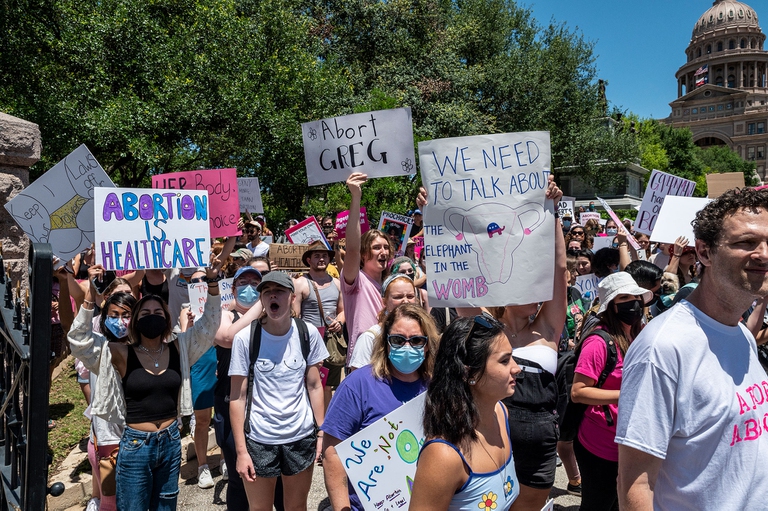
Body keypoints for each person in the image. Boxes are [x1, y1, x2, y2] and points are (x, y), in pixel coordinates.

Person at [616, 188, 768, 510]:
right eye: (746, 243)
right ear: (704, 252)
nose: (764, 254)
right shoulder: (663, 348)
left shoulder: (741, 334)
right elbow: (636, 484)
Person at [69, 258, 223, 511]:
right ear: (136, 320)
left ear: (167, 318)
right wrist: (88, 298)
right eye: (146, 313)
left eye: (158, 313)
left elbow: (209, 325)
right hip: (135, 445)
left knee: (166, 506)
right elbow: (79, 341)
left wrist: (213, 283)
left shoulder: (179, 347)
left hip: (171, 441)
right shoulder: (118, 352)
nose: (152, 317)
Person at [322, 304, 438, 510]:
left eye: (417, 340)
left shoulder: (437, 386)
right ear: (386, 342)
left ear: (427, 344)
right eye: (398, 340)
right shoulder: (358, 385)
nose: (407, 347)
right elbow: (332, 453)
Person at [229, 272, 327, 511]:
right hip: (259, 440)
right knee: (260, 508)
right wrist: (241, 452)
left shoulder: (307, 333)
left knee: (296, 507)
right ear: (262, 299)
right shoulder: (245, 338)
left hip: (300, 437)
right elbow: (237, 397)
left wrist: (321, 434)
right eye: (267, 291)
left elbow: (315, 386)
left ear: (292, 298)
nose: (273, 295)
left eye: (280, 290)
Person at [410, 314, 522, 509]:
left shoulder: (501, 414)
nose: (517, 368)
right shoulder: (443, 455)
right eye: (504, 361)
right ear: (469, 373)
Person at [571, 272, 651, 510]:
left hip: (632, 440)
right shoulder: (599, 342)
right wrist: (624, 395)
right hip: (601, 444)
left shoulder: (640, 333)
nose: (633, 302)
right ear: (611, 306)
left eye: (636, 296)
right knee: (599, 504)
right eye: (624, 297)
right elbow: (578, 391)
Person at [341, 173, 393, 363]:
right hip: (364, 360)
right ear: (364, 254)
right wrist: (356, 198)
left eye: (386, 247)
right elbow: (352, 249)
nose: (383, 252)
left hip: (392, 358)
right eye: (377, 247)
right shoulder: (356, 281)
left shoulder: (391, 285)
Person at [292, 240, 346, 408]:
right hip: (308, 344)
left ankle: (325, 424)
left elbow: (343, 311)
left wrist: (339, 321)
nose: (321, 259)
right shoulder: (300, 283)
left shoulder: (337, 283)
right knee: (310, 384)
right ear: (309, 260)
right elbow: (295, 317)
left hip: (331, 342)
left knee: (328, 386)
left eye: (324, 256)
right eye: (317, 256)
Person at [348, 274, 419, 370]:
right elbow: (358, 381)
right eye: (398, 297)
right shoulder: (370, 338)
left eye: (410, 296)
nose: (405, 301)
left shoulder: (422, 333)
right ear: (384, 302)